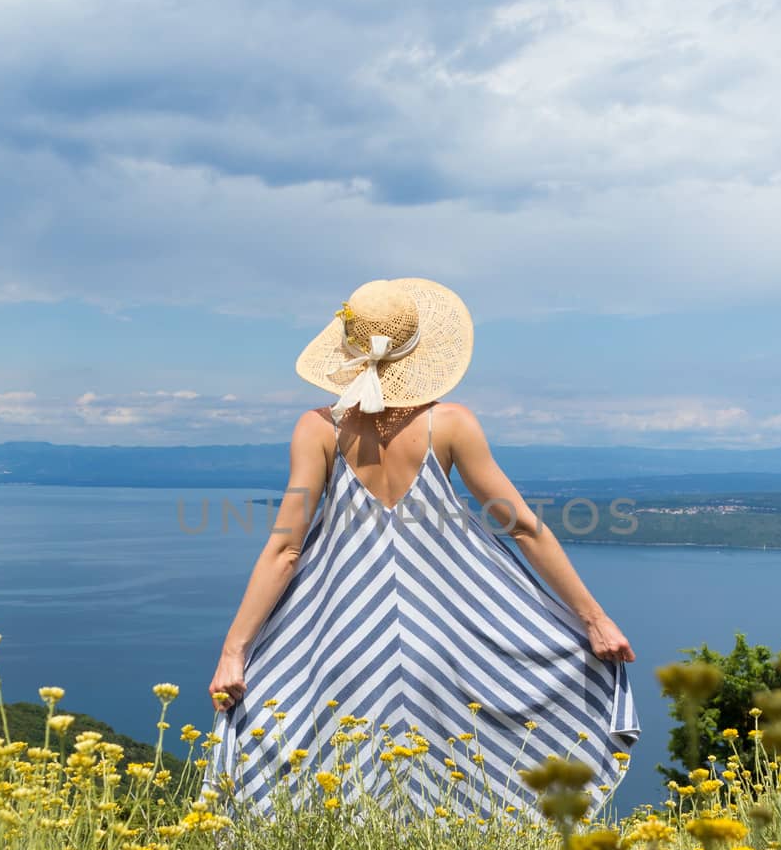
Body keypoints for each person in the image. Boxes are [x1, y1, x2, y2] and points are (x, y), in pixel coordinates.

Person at [206, 277, 639, 819]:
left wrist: (234, 652)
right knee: (458, 797)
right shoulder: (450, 425)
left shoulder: (316, 429)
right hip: (454, 640)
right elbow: (524, 528)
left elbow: (284, 551)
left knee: (347, 795)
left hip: (342, 638)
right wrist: (595, 620)